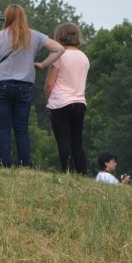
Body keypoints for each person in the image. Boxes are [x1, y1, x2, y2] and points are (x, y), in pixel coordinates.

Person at [0, 4, 64, 167]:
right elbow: (59, 49)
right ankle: (25, 164)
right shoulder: (34, 36)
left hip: (1, 85)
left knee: (3, 127)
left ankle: (4, 164)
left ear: (6, 17)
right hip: (24, 86)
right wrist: (42, 64)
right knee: (21, 128)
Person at [45, 22, 89, 175]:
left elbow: (50, 83)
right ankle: (83, 172)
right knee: (77, 141)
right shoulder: (84, 57)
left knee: (64, 141)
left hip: (61, 102)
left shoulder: (59, 55)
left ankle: (67, 172)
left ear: (59, 37)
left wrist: (47, 98)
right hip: (79, 102)